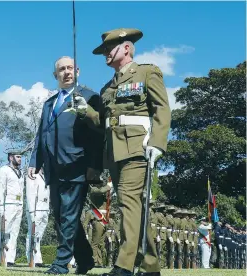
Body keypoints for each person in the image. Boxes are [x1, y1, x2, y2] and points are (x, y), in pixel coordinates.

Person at [75, 28, 171, 276]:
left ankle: (124, 266)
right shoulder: (107, 88)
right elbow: (104, 123)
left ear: (126, 48)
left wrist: (157, 143)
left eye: (109, 48)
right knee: (134, 207)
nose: (105, 53)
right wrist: (86, 111)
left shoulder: (147, 73)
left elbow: (162, 109)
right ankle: (150, 266)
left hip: (138, 149)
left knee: (128, 204)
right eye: (104, 50)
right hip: (114, 153)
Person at [28, 55, 103, 274]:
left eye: (70, 68)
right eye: (62, 69)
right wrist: (36, 161)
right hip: (54, 169)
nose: (67, 72)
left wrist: (95, 165)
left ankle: (61, 264)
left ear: (77, 71)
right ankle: (86, 259)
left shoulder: (89, 98)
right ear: (55, 75)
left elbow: (97, 136)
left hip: (77, 165)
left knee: (69, 216)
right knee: (61, 217)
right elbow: (42, 133)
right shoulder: (49, 104)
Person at [0, 149, 25, 267]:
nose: (20, 159)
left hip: (18, 204)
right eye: (17, 157)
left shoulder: (21, 172)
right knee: (5, 231)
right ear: (10, 158)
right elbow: (0, 189)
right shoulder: (4, 170)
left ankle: (10, 259)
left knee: (15, 232)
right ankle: (1, 258)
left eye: (20, 157)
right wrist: (0, 206)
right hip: (8, 203)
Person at [24, 168, 49, 267]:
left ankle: (38, 259)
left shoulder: (46, 176)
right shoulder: (32, 175)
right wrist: (31, 211)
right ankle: (31, 258)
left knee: (39, 236)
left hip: (45, 208)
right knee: (32, 234)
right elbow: (30, 194)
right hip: (36, 208)